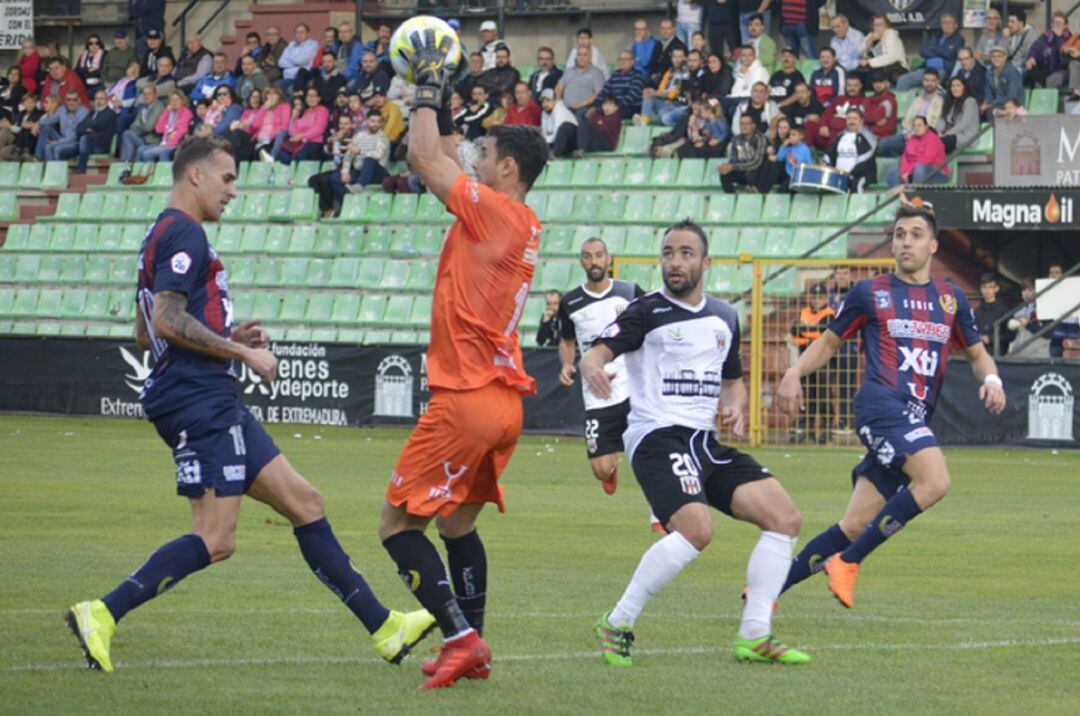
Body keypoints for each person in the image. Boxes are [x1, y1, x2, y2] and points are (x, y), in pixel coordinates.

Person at [65, 134, 435, 676]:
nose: (234, 190)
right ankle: (102, 611)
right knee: (216, 538)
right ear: (195, 175)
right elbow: (165, 321)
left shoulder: (160, 232)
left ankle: (384, 627)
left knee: (306, 502)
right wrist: (239, 350)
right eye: (228, 178)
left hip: (210, 395)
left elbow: (145, 331)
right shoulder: (183, 231)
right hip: (199, 400)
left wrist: (227, 330)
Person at [378, 36, 550, 689]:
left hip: (468, 398)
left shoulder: (494, 213)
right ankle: (472, 645)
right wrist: (446, 100)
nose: (474, 157)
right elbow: (445, 151)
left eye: (486, 153)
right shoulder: (513, 218)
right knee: (456, 523)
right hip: (503, 403)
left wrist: (423, 89)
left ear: (508, 169)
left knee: (397, 524)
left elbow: (423, 155)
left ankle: (461, 638)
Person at [585, 219, 809, 667]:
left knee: (784, 518)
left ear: (705, 263)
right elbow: (599, 350)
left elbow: (733, 381)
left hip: (704, 443)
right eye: (668, 253)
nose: (675, 262)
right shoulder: (645, 311)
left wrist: (737, 408)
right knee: (697, 529)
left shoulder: (725, 317)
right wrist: (592, 366)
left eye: (686, 253)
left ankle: (755, 635)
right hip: (656, 437)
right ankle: (618, 620)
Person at [776, 203, 1006, 607]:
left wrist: (991, 379)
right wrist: (794, 373)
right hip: (880, 405)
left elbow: (977, 353)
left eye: (916, 234)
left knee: (854, 524)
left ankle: (766, 592)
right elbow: (829, 342)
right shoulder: (871, 292)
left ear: (934, 245)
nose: (905, 242)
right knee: (935, 481)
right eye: (900, 234)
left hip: (913, 418)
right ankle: (847, 564)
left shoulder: (951, 300)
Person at [557, 237, 646, 500]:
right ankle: (610, 468)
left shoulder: (630, 292)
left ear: (609, 259)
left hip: (632, 389)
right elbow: (567, 341)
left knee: (649, 452)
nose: (594, 261)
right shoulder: (571, 302)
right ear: (581, 261)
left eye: (598, 255)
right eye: (587, 256)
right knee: (601, 469)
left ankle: (660, 515)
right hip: (596, 394)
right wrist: (566, 363)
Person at [309, 112, 389, 216]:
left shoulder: (382, 138)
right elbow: (348, 155)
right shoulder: (359, 136)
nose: (376, 124)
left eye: (378, 122)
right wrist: (345, 172)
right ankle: (346, 207)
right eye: (373, 121)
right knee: (334, 179)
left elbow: (378, 155)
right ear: (367, 122)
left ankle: (359, 185)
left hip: (377, 172)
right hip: (359, 171)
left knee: (369, 159)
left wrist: (360, 151)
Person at [789, 284, 835, 443]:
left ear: (825, 299)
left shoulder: (830, 314)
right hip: (805, 361)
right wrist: (813, 333)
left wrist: (806, 332)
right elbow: (794, 332)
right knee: (807, 397)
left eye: (820, 298)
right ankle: (805, 430)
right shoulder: (804, 312)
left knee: (823, 397)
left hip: (823, 361)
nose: (816, 301)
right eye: (813, 297)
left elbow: (825, 334)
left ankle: (826, 430)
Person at [878, 69, 943, 157]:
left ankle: (908, 159)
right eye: (926, 80)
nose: (929, 83)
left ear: (938, 81)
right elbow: (906, 121)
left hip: (925, 139)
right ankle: (902, 158)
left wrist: (916, 135)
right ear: (923, 81)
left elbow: (935, 125)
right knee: (882, 144)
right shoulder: (917, 100)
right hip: (908, 136)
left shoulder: (941, 101)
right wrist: (906, 133)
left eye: (932, 81)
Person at [897, 14, 964, 91]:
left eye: (949, 22)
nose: (946, 25)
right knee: (903, 80)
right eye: (944, 22)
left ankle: (932, 101)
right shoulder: (935, 36)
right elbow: (922, 51)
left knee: (932, 83)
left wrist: (933, 48)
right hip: (926, 68)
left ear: (955, 25)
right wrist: (941, 51)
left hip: (942, 70)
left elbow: (950, 54)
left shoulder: (958, 39)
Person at [806, 74, 870, 151]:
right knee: (808, 124)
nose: (851, 88)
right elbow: (826, 114)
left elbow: (862, 122)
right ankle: (807, 154)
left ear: (860, 86)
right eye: (849, 86)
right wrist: (824, 125)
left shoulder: (865, 101)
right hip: (827, 133)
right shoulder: (838, 99)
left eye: (855, 86)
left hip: (844, 136)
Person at [824, 108, 877, 192]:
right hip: (841, 174)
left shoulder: (867, 136)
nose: (851, 121)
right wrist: (825, 163)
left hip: (861, 175)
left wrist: (851, 173)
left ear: (861, 121)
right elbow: (830, 153)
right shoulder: (841, 136)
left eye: (855, 119)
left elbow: (867, 156)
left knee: (856, 184)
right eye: (849, 118)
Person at [886, 116, 948, 187]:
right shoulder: (912, 139)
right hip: (914, 172)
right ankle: (903, 195)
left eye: (920, 125)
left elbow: (926, 159)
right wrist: (904, 172)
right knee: (892, 175)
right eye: (915, 126)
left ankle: (916, 194)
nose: (917, 128)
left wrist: (909, 171)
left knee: (919, 169)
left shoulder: (933, 139)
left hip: (936, 173)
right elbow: (905, 157)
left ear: (926, 127)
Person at [272, 87, 329, 163]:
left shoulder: (322, 110)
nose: (310, 98)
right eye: (308, 96)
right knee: (280, 152)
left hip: (313, 141)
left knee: (299, 156)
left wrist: (302, 136)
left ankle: (291, 163)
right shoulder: (304, 111)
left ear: (319, 98)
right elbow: (294, 128)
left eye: (313, 96)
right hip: (299, 141)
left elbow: (319, 129)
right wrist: (293, 118)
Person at [638, 47, 690, 126]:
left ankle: (659, 123)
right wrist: (652, 92)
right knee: (648, 95)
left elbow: (673, 95)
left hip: (676, 106)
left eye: (680, 57)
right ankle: (642, 123)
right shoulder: (669, 72)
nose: (677, 59)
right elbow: (661, 90)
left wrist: (655, 93)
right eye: (675, 57)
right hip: (665, 103)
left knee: (663, 118)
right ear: (671, 58)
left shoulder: (686, 73)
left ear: (685, 58)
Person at [136, 90, 193, 162]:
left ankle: (159, 172)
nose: (174, 102)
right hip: (164, 143)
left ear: (182, 100)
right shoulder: (170, 112)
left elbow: (182, 130)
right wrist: (166, 112)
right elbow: (159, 129)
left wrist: (170, 143)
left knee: (149, 154)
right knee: (140, 149)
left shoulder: (186, 112)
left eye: (176, 99)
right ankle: (141, 172)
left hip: (176, 143)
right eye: (172, 100)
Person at [852, 14, 907, 86]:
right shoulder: (871, 35)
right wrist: (867, 44)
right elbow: (857, 52)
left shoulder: (891, 36)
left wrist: (869, 62)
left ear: (887, 26)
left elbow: (891, 57)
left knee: (870, 78)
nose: (878, 28)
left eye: (881, 25)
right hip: (878, 68)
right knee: (855, 75)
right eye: (875, 25)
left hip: (895, 68)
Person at [720, 113, 769, 193]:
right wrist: (727, 167)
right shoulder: (736, 139)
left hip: (756, 172)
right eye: (742, 124)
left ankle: (754, 191)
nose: (744, 126)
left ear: (753, 126)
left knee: (750, 173)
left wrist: (733, 167)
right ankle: (732, 199)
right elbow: (733, 159)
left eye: (747, 124)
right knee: (724, 174)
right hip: (741, 171)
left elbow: (757, 162)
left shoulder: (760, 138)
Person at [557, 45, 606, 124]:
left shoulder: (596, 72)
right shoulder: (569, 71)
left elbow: (598, 93)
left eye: (585, 55)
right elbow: (559, 87)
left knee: (581, 114)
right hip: (566, 108)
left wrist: (581, 104)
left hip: (585, 108)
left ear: (590, 57)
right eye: (579, 55)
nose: (581, 58)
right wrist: (559, 102)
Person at [36, 89, 88, 160]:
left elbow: (75, 135)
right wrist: (37, 123)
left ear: (79, 100)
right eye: (69, 100)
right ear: (65, 101)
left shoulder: (83, 112)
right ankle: (38, 157)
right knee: (46, 130)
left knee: (57, 148)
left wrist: (57, 142)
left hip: (76, 143)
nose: (71, 103)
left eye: (74, 100)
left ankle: (58, 170)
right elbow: (51, 119)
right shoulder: (62, 109)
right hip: (62, 138)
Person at [74, 89, 117, 173]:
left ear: (107, 100)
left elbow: (96, 124)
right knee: (61, 150)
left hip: (101, 146)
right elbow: (79, 127)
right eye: (96, 98)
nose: (98, 101)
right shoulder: (92, 113)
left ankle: (81, 170)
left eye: (101, 99)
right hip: (88, 144)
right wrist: (89, 131)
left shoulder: (110, 113)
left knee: (84, 138)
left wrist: (87, 129)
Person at [119, 83, 165, 163]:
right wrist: (141, 127)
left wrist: (139, 127)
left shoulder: (158, 106)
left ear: (155, 95)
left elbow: (149, 127)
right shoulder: (143, 108)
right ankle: (126, 162)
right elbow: (133, 126)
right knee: (127, 133)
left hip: (153, 141)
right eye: (144, 94)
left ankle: (127, 163)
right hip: (142, 139)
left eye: (149, 94)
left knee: (128, 134)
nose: (146, 97)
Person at [1026, 11, 1071, 89]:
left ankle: (1041, 87)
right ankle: (1038, 86)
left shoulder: (1069, 38)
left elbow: (1063, 53)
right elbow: (1035, 47)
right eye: (1054, 23)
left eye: (1059, 23)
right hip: (1046, 67)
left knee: (1052, 78)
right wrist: (1032, 57)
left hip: (1061, 69)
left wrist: (1059, 37)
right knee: (1030, 66)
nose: (1056, 25)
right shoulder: (1045, 36)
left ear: (1065, 26)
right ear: (1051, 24)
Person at [1045, 264, 1080, 358]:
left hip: (1073, 337)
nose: (1054, 275)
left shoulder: (1074, 289)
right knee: (1055, 367)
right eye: (1051, 272)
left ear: (1063, 275)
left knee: (1072, 369)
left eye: (1057, 272)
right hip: (1055, 339)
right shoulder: (1043, 293)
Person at [725, 45, 770, 118]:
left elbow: (754, 93)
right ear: (740, 57)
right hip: (738, 99)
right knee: (718, 104)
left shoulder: (760, 71)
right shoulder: (740, 70)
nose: (746, 58)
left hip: (752, 100)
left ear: (754, 57)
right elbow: (734, 92)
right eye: (744, 55)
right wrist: (741, 75)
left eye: (750, 55)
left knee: (732, 109)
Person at [937, 76, 979, 153]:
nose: (955, 89)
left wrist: (946, 134)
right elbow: (942, 119)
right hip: (949, 135)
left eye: (958, 85)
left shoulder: (970, 102)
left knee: (940, 143)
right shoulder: (950, 102)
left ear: (964, 87)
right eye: (952, 86)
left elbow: (962, 125)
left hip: (965, 136)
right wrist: (939, 132)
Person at [601, 51, 647, 119]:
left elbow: (632, 96)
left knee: (616, 114)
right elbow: (604, 91)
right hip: (613, 106)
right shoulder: (615, 74)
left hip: (631, 107)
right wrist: (597, 105)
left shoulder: (637, 75)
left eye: (626, 59)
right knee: (594, 113)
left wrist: (616, 107)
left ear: (632, 62)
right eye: (620, 59)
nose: (622, 61)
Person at [982, 46, 1024, 116]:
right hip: (998, 103)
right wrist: (986, 102)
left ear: (1005, 58)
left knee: (991, 111)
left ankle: (994, 126)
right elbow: (988, 92)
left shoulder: (1012, 72)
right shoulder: (989, 72)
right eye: (993, 56)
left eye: (999, 56)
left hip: (1013, 104)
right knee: (982, 110)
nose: (996, 59)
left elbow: (1012, 95)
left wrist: (993, 103)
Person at [278, 24, 319, 94]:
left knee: (290, 91)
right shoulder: (291, 44)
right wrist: (296, 63)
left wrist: (289, 59)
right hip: (287, 78)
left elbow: (300, 61)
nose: (299, 35)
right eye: (297, 32)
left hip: (301, 79)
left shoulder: (312, 45)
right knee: (275, 88)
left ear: (308, 34)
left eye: (302, 32)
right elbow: (281, 62)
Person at [540, 88, 578, 157]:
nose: (545, 104)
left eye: (548, 101)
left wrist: (544, 140)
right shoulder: (544, 113)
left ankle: (554, 154)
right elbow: (544, 133)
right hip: (557, 142)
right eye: (543, 102)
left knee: (564, 127)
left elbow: (557, 134)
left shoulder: (560, 110)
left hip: (572, 141)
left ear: (555, 100)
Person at [774, 122, 811, 191]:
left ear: (801, 136)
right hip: (787, 175)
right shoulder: (788, 148)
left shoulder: (805, 150)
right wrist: (784, 146)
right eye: (790, 135)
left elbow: (809, 165)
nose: (791, 137)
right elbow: (779, 158)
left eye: (794, 135)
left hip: (799, 176)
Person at [654, 19, 688, 87]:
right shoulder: (658, 44)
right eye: (663, 29)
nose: (665, 31)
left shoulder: (679, 45)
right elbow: (652, 62)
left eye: (668, 29)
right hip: (656, 79)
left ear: (673, 29)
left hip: (672, 80)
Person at [863, 72, 897, 141]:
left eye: (880, 82)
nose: (877, 85)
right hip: (866, 134)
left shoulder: (889, 101)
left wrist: (866, 119)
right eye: (875, 83)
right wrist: (873, 121)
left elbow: (873, 117)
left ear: (887, 84)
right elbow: (858, 115)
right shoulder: (867, 99)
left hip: (882, 137)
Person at [1004, 9, 1037, 76]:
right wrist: (1005, 39)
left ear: (1021, 23)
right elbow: (1003, 54)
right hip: (1010, 67)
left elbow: (1025, 57)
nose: (1009, 25)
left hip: (1022, 69)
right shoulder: (1011, 35)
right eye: (1009, 21)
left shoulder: (1030, 35)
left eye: (1012, 22)